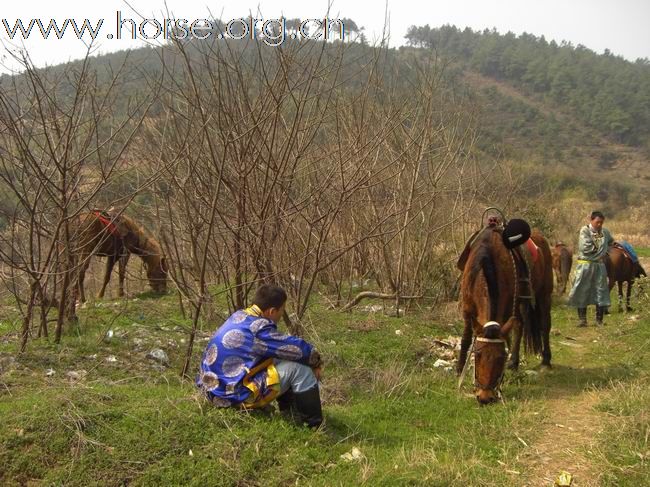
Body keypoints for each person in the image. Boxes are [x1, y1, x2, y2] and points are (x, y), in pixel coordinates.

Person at [196, 284, 324, 428]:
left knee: (283, 357)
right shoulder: (258, 328)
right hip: (231, 396)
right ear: (272, 311)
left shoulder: (239, 315)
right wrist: (315, 361)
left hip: (212, 389)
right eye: (282, 310)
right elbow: (296, 349)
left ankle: (289, 412)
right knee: (300, 369)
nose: (282, 315)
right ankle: (313, 425)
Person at [567, 211, 614, 327]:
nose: (599, 224)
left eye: (601, 222)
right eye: (597, 222)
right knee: (582, 289)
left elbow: (611, 242)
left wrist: (606, 251)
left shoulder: (605, 232)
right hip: (585, 265)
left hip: (599, 266)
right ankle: (582, 320)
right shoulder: (585, 231)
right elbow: (585, 247)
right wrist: (601, 251)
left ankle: (599, 320)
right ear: (591, 220)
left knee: (601, 290)